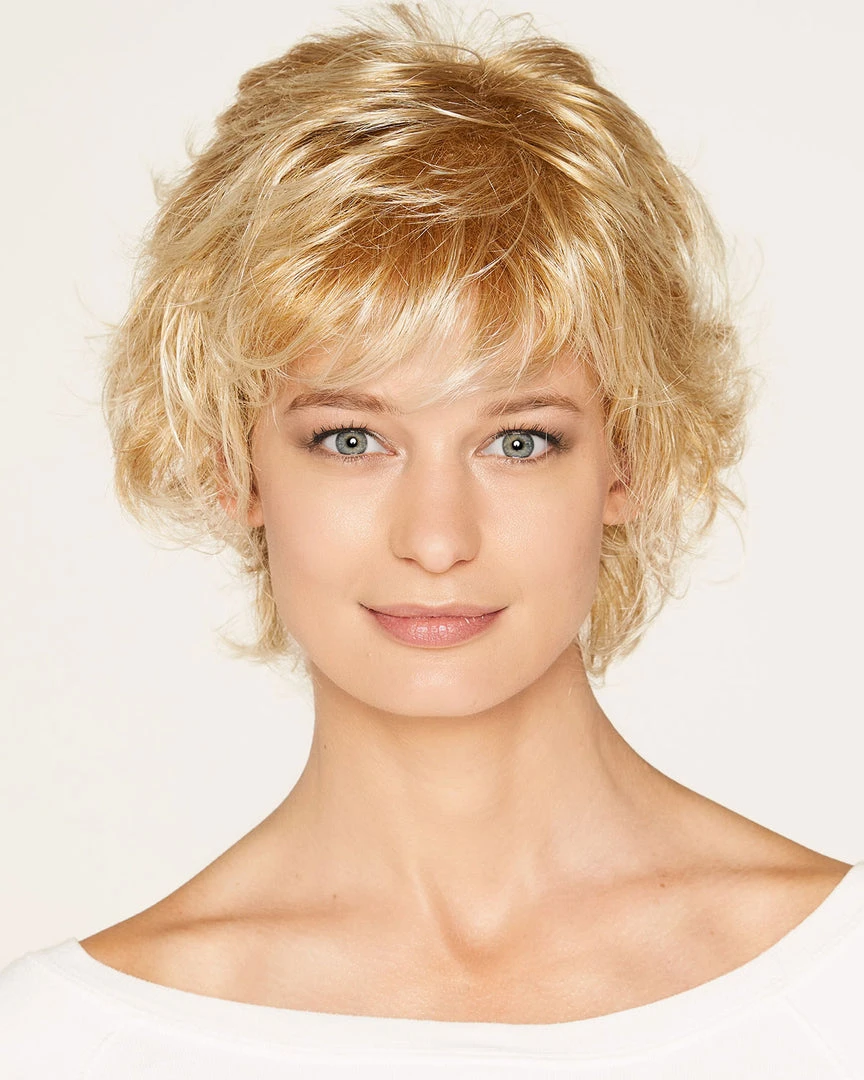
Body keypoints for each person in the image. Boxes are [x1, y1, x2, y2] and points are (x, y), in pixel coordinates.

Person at [1, 3, 861, 1076]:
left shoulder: (839, 984)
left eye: (519, 440)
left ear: (629, 458)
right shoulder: (64, 1042)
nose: (438, 539)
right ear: (234, 464)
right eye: (352, 439)